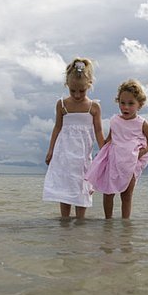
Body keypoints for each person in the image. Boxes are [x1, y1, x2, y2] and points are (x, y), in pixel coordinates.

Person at [42, 58, 105, 219]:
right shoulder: (62, 104)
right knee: (65, 186)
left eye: (81, 91)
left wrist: (105, 152)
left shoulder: (93, 107)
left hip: (83, 154)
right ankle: (64, 223)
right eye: (73, 91)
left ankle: (80, 224)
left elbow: (98, 131)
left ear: (89, 85)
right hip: (64, 153)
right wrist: (51, 150)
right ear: (67, 86)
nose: (77, 95)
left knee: (82, 186)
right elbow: (57, 127)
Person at [85, 79, 148, 219]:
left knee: (126, 195)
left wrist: (141, 152)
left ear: (139, 105)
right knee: (108, 192)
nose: (126, 107)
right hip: (114, 161)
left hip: (131, 162)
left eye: (131, 104)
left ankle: (125, 225)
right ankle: (108, 221)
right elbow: (110, 140)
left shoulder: (142, 123)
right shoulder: (115, 121)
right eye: (122, 103)